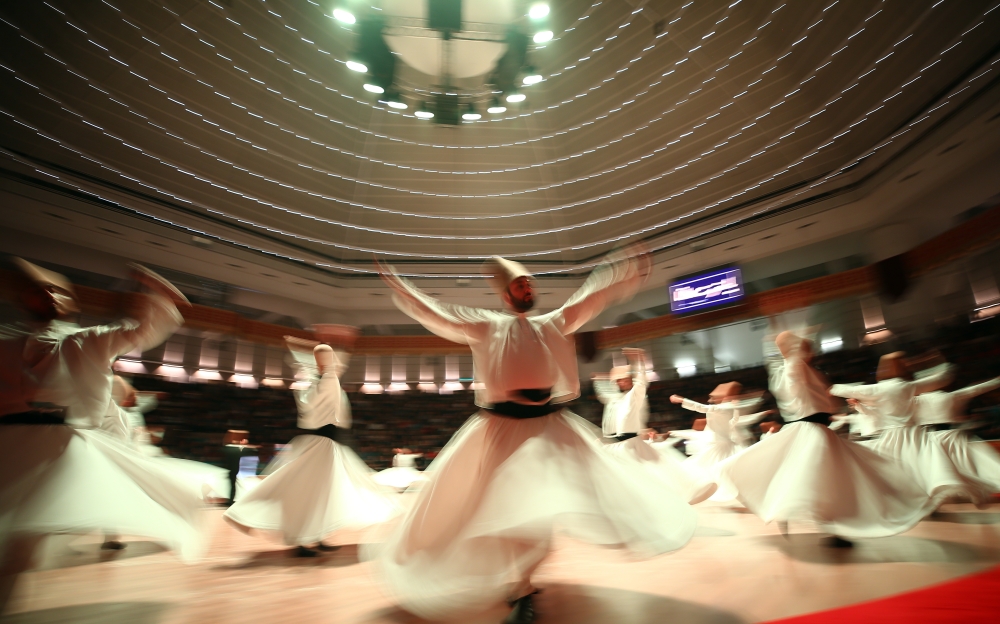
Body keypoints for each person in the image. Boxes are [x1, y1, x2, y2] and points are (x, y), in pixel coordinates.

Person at [369, 249, 697, 624]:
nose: (527, 288)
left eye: (529, 283)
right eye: (520, 284)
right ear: (506, 295)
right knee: (510, 510)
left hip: (549, 427)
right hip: (502, 428)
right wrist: (404, 290)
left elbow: (590, 298)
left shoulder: (552, 324)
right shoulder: (486, 325)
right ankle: (521, 586)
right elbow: (439, 314)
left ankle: (524, 581)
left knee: (538, 512)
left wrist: (622, 274)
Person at [0, 259, 204, 609]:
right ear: (23, 300)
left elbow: (138, 331)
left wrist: (149, 295)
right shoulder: (6, 344)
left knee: (20, 539)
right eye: (37, 291)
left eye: (56, 291)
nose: (48, 297)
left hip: (56, 444)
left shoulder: (88, 340)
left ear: (70, 303)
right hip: (10, 441)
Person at [717, 329, 936, 548]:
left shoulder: (793, 371)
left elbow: (815, 393)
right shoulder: (796, 368)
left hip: (812, 428)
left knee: (815, 478)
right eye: (806, 347)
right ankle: (830, 526)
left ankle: (821, 523)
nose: (811, 350)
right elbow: (799, 375)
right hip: (811, 429)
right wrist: (790, 345)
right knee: (824, 478)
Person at [224, 338, 399, 557]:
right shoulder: (325, 381)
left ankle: (316, 535)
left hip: (322, 444)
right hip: (319, 445)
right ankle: (303, 539)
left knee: (321, 492)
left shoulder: (317, 383)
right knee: (310, 491)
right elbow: (332, 405)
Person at [830, 354, 994, 506]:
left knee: (899, 472)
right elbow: (942, 378)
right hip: (916, 435)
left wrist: (825, 387)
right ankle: (926, 501)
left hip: (893, 437)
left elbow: (841, 390)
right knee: (922, 470)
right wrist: (938, 362)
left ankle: (911, 503)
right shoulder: (908, 387)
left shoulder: (878, 389)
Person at [595, 348, 716, 504]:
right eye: (619, 380)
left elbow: (641, 383)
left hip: (630, 445)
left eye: (624, 379)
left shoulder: (634, 396)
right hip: (615, 446)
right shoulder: (614, 401)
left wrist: (639, 363)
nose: (622, 382)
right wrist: (599, 380)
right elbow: (604, 396)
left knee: (649, 477)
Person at [669, 382, 772, 500]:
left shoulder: (723, 407)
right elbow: (733, 422)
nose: (711, 399)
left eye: (713, 397)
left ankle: (705, 489)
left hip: (721, 444)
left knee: (703, 466)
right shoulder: (729, 408)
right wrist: (737, 411)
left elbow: (702, 407)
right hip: (724, 443)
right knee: (719, 467)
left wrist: (682, 400)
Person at [915, 376, 1000, 492]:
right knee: (968, 463)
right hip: (949, 437)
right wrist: (996, 381)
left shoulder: (917, 400)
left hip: (930, 438)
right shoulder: (952, 397)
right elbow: (977, 389)